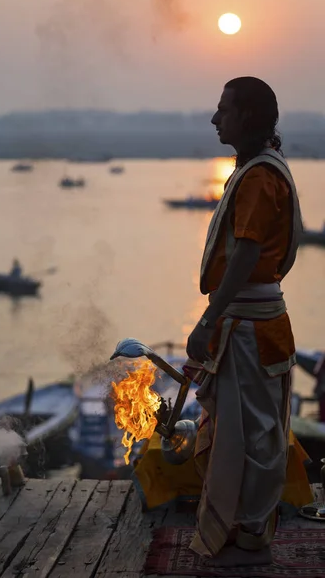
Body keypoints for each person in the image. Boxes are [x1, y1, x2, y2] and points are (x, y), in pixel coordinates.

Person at [183, 77, 303, 560]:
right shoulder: (261, 169)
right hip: (260, 321)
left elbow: (246, 253)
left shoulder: (257, 177)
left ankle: (250, 537)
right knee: (255, 432)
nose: (215, 119)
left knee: (252, 438)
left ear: (248, 117)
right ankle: (243, 531)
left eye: (223, 110)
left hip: (249, 329)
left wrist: (208, 320)